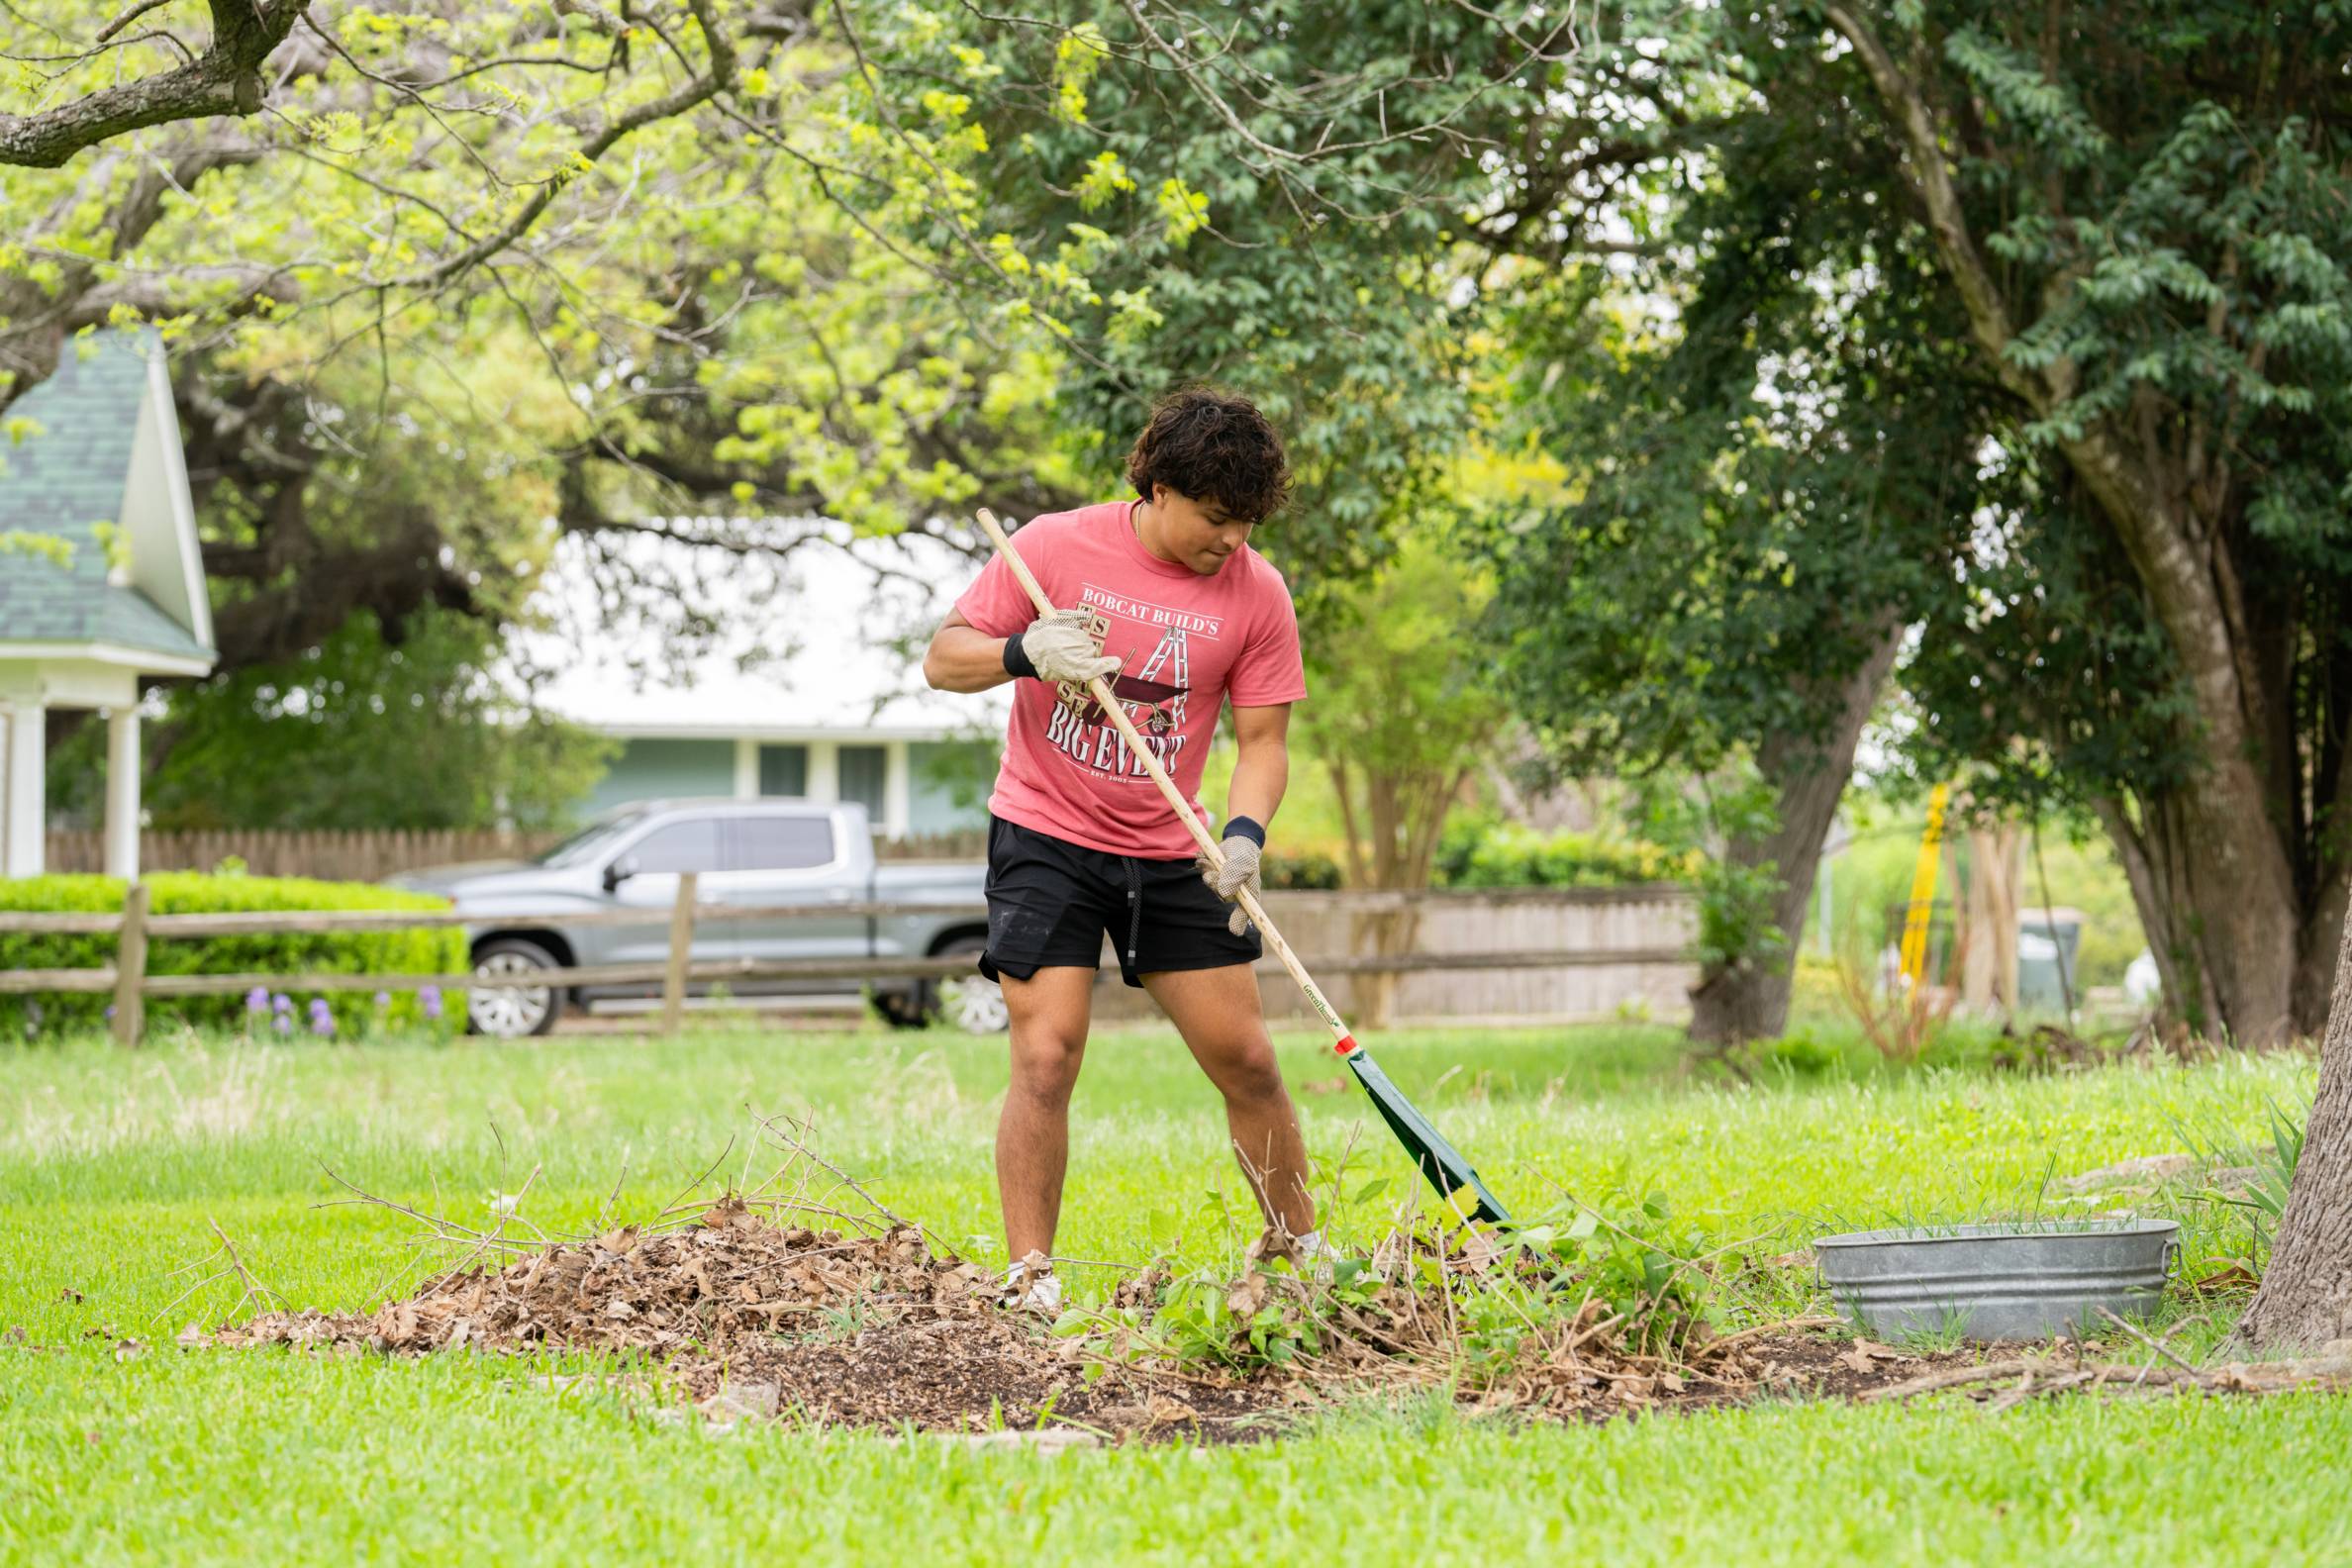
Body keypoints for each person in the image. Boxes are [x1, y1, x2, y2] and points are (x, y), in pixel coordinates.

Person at [923, 387, 1323, 1313]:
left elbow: (1263, 745)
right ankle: (1031, 1279)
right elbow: (944, 660)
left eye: (1247, 524)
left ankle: (1301, 1258)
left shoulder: (1257, 592)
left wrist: (1243, 839)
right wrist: (1027, 650)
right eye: (1217, 520)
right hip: (1045, 833)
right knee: (1048, 1054)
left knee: (1251, 1062)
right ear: (1158, 486)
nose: (1232, 542)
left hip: (1172, 843)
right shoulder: (1057, 546)